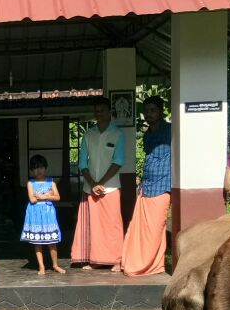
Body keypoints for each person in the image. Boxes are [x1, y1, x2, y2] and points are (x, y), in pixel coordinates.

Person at [71, 97, 125, 270]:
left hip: (110, 187)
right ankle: (92, 260)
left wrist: (100, 183)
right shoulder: (88, 134)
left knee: (113, 225)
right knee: (91, 226)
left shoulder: (117, 134)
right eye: (97, 110)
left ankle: (116, 260)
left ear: (110, 112)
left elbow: (118, 161)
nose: (99, 113)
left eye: (102, 110)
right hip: (90, 188)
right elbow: (82, 164)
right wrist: (92, 183)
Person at [120, 95, 171, 277]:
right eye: (146, 111)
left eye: (152, 111)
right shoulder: (148, 134)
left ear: (161, 111)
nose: (149, 114)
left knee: (155, 229)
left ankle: (150, 265)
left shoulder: (171, 130)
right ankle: (150, 264)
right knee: (140, 229)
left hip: (163, 186)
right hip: (147, 187)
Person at [20, 155, 66, 275]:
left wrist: (44, 196)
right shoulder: (30, 183)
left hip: (48, 215)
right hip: (35, 215)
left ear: (45, 168)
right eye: (35, 168)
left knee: (52, 241)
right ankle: (42, 266)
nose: (38, 170)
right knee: (38, 242)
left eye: (41, 167)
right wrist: (48, 195)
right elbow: (32, 199)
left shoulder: (51, 182)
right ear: (31, 170)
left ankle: (55, 265)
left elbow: (58, 197)